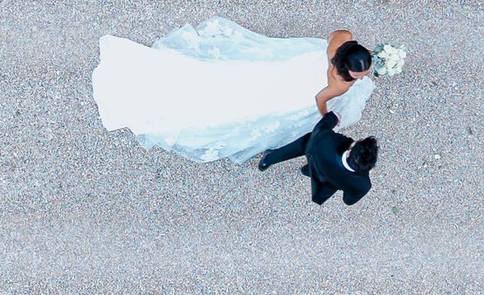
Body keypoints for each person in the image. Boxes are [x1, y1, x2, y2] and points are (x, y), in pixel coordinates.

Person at [92, 19, 399, 165]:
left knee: (248, 74)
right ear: (350, 67)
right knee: (256, 101)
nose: (364, 74)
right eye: (362, 71)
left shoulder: (343, 40)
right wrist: (327, 115)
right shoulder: (340, 83)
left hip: (301, 61)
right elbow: (320, 98)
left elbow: (334, 34)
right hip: (306, 85)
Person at [257, 119, 378, 205]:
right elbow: (348, 201)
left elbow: (320, 128)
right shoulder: (364, 186)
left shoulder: (326, 141)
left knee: (301, 144)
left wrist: (333, 117)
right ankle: (306, 171)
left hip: (317, 155)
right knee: (312, 170)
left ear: (350, 152)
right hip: (326, 180)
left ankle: (267, 161)